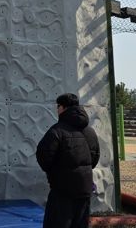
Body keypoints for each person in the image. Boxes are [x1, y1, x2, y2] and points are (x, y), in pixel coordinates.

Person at [36, 93, 100, 228]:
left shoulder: (57, 130)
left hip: (62, 190)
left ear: (63, 108)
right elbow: (94, 159)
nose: (57, 109)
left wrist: (54, 173)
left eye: (58, 106)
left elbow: (43, 157)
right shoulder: (90, 132)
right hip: (85, 189)